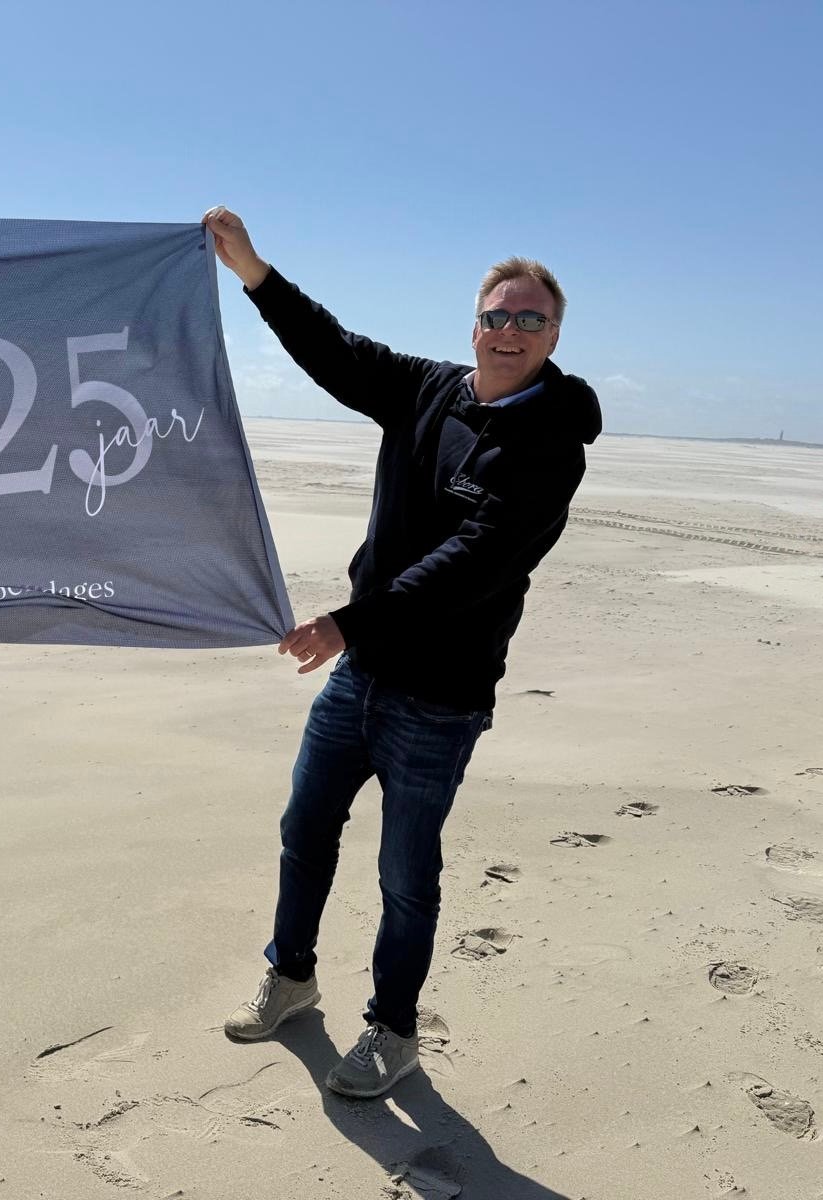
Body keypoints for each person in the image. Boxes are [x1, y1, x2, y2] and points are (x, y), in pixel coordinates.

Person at [203, 206, 602, 1099]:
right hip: (362, 678)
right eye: (496, 315)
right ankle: (291, 976)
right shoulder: (428, 390)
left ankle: (394, 1029)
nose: (509, 330)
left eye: (529, 318)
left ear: (553, 336)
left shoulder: (551, 446)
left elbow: (476, 561)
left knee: (405, 873)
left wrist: (350, 622)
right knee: (305, 830)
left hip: (441, 697)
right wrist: (255, 274)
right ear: (475, 325)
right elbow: (336, 352)